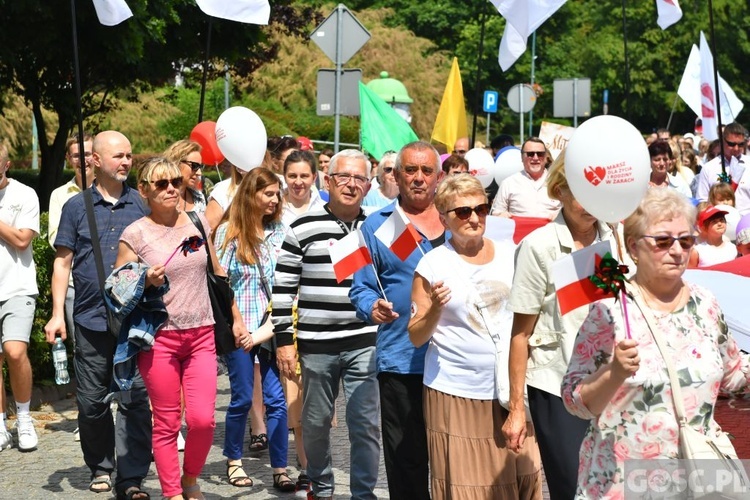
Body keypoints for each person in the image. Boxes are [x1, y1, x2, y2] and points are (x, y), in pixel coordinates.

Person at [561, 188, 750, 498]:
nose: (677, 251)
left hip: (699, 476)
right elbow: (574, 401)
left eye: (685, 241)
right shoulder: (609, 311)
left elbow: (734, 375)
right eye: (663, 241)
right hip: (625, 481)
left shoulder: (706, 303)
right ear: (634, 247)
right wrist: (614, 373)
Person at [502, 152, 629, 500]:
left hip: (609, 381)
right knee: (574, 488)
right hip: (556, 384)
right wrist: (516, 409)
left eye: (596, 193)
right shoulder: (538, 246)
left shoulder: (615, 240)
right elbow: (520, 334)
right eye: (580, 192)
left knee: (612, 486)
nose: (589, 203)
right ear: (560, 191)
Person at [408, 174, 542, 499]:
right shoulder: (432, 265)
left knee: (525, 478)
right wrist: (435, 310)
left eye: (480, 208)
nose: (474, 217)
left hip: (513, 391)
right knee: (471, 489)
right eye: (463, 212)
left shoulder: (513, 253)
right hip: (457, 394)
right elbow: (415, 336)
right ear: (443, 219)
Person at [113, 157, 237, 499]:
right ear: (144, 191)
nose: (171, 188)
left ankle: (190, 477)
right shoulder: (135, 233)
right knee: (167, 423)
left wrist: (236, 318)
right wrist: (144, 279)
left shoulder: (197, 221)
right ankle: (172, 492)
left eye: (175, 182)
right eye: (161, 184)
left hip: (201, 334)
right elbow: (117, 290)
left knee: (202, 421)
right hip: (159, 339)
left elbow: (218, 274)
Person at [44, 131, 152, 499]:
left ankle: (132, 475)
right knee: (91, 403)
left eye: (129, 155)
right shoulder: (76, 208)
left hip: (135, 322)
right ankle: (101, 466)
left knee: (136, 400)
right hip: (89, 318)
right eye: (119, 156)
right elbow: (62, 263)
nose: (126, 162)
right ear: (96, 161)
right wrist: (57, 313)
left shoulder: (142, 204)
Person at [273, 149, 380, 500]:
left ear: (368, 184)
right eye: (343, 177)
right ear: (328, 180)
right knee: (316, 423)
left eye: (359, 179)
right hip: (316, 344)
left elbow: (403, 272)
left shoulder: (378, 225)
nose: (351, 185)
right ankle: (320, 485)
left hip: (364, 341)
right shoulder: (301, 227)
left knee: (365, 424)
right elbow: (283, 289)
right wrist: (284, 341)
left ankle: (363, 493)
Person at [350, 141, 446, 500]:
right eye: (410, 170)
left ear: (439, 176)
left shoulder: (461, 219)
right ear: (397, 175)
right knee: (407, 461)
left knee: (455, 459)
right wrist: (371, 305)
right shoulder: (380, 226)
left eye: (426, 171)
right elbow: (359, 287)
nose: (418, 178)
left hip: (457, 363)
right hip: (402, 362)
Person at [214, 167, 295, 492]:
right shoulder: (228, 234)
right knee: (243, 397)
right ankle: (233, 460)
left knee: (277, 401)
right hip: (241, 327)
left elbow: (290, 278)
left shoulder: (281, 231)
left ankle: (279, 468)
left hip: (274, 326)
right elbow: (222, 285)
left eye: (277, 194)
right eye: (269, 194)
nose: (275, 200)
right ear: (251, 194)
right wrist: (236, 321)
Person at [0, 140, 40, 454]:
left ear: (6, 163)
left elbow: (22, 240)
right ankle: (0, 423)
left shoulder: (24, 194)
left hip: (16, 286)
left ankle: (24, 418)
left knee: (14, 352)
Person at [491, 137, 561, 219]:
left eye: (540, 154)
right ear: (522, 157)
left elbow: (570, 212)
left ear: (545, 157)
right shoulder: (508, 183)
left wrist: (559, 216)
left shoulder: (559, 183)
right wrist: (501, 215)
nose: (535, 158)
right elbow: (496, 214)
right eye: (530, 154)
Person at [695, 122, 749, 213]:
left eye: (740, 144)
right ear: (722, 142)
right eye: (731, 144)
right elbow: (702, 202)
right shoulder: (709, 168)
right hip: (720, 222)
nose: (736, 148)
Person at [281, 150, 325, 228]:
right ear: (284, 177)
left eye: (304, 176)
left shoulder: (324, 209)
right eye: (292, 176)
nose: (298, 182)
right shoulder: (273, 208)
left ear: (314, 178)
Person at [163, 140, 206, 213]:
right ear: (176, 163)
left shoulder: (198, 197)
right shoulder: (158, 197)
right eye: (194, 166)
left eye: (200, 167)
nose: (199, 173)